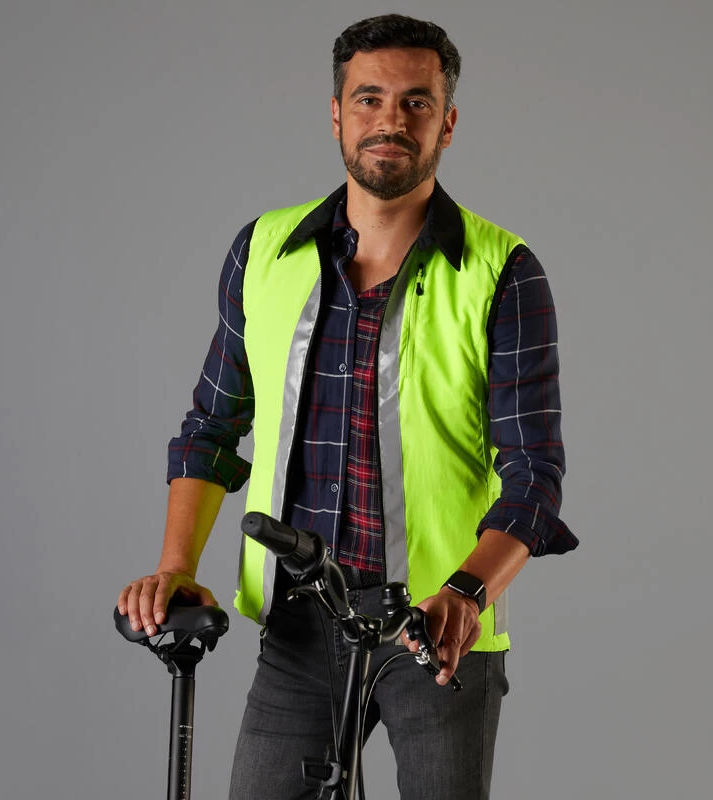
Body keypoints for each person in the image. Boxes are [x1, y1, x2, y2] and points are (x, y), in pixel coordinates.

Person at [117, 13, 577, 799]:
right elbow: (211, 430)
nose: (390, 120)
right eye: (369, 99)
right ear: (337, 115)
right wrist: (175, 568)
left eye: (415, 102)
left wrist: (467, 594)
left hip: (436, 634)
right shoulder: (264, 251)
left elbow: (533, 475)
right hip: (298, 632)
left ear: (447, 123)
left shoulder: (503, 271)